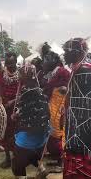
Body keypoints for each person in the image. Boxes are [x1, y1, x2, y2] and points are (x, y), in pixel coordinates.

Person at [11, 64, 50, 179]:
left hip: (29, 134)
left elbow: (27, 114)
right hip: (41, 135)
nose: (19, 76)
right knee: (32, 154)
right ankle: (41, 169)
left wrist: (16, 116)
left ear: (26, 76)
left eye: (21, 74)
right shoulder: (38, 90)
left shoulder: (28, 92)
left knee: (17, 163)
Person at [62, 38, 91, 179]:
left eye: (66, 52)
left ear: (77, 52)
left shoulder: (85, 71)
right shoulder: (77, 70)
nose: (64, 56)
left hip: (83, 131)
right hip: (75, 127)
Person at [39, 47, 70, 169]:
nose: (43, 63)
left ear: (53, 61)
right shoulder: (48, 74)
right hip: (50, 106)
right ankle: (58, 159)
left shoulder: (63, 72)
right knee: (51, 134)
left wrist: (64, 89)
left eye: (46, 60)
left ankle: (62, 163)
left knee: (58, 134)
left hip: (59, 107)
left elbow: (70, 87)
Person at [0, 52, 20, 168]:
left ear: (16, 62)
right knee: (5, 133)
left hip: (17, 108)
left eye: (11, 64)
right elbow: (0, 86)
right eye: (7, 64)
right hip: (5, 107)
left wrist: (13, 102)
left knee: (16, 134)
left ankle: (16, 158)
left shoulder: (22, 73)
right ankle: (7, 158)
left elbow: (24, 91)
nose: (9, 66)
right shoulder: (3, 73)